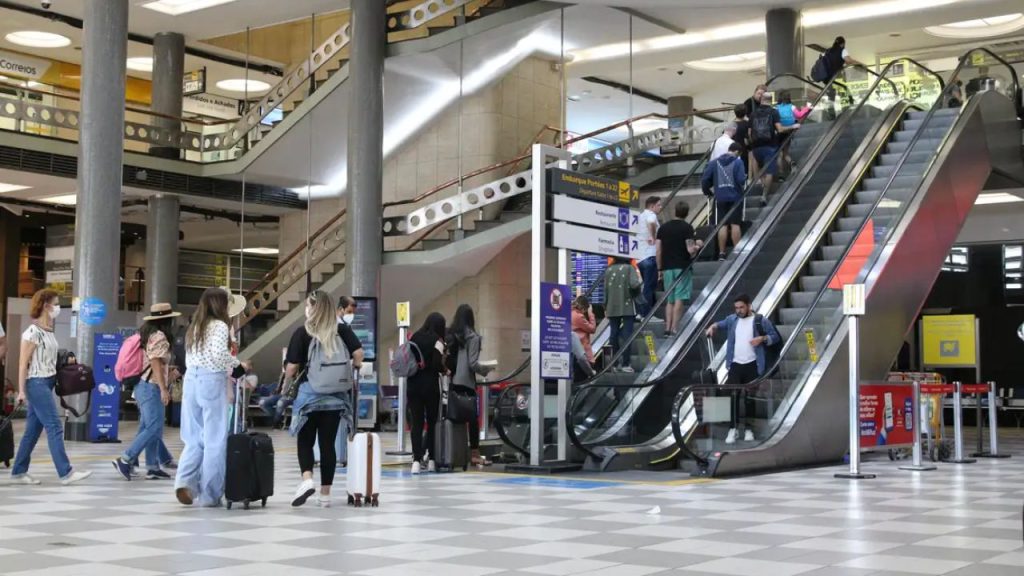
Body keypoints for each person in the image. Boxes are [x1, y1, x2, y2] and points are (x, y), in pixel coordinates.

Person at [287, 290, 363, 508]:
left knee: (305, 441)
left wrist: (287, 378)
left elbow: (292, 368)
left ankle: (307, 479)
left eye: (308, 306)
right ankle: (326, 495)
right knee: (328, 444)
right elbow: (358, 354)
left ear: (313, 307)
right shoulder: (342, 330)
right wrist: (354, 366)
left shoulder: (303, 332)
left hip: (309, 398)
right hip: (336, 398)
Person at [8, 289, 92, 485]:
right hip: (36, 383)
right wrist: (21, 391)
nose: (57, 308)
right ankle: (66, 472)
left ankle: (19, 471)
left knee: (32, 431)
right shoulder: (32, 332)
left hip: (46, 382)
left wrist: (67, 360)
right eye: (55, 304)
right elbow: (22, 363)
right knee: (54, 426)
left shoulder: (48, 330)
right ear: (46, 306)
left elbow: (50, 358)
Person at [174, 287, 247, 507]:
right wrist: (237, 365)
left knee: (193, 437)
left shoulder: (195, 327)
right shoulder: (220, 326)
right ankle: (209, 494)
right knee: (215, 439)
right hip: (210, 380)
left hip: (191, 381)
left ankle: (184, 482)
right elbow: (218, 355)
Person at [113, 303, 180, 481]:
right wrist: (163, 388)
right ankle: (126, 458)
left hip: (143, 385)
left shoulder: (147, 334)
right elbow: (155, 363)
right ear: (167, 320)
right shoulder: (159, 336)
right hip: (151, 386)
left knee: (148, 426)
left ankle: (152, 467)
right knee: (154, 427)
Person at [705, 294, 781, 444]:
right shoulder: (732, 320)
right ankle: (732, 429)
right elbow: (720, 324)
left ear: (749, 306)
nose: (738, 310)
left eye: (741, 307)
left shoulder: (760, 321)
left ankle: (748, 429)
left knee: (749, 398)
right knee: (733, 396)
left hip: (753, 364)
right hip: (735, 364)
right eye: (736, 308)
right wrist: (712, 326)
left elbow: (775, 337)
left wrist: (762, 338)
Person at [447, 304, 494, 467]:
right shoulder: (472, 337)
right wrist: (486, 369)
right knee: (472, 418)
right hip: (466, 382)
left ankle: (449, 451)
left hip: (451, 382)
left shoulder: (451, 334)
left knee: (452, 416)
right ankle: (474, 453)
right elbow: (472, 363)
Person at [407, 312, 446, 474]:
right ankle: (431, 459)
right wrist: (446, 370)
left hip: (413, 384)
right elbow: (437, 364)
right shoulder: (438, 341)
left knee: (416, 423)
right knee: (431, 423)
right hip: (430, 386)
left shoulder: (414, 337)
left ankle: (416, 461)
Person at [657, 203, 702, 336]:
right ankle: (674, 328)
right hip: (682, 267)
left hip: (667, 268)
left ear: (675, 211)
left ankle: (667, 328)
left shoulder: (663, 228)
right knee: (679, 298)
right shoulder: (687, 228)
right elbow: (690, 250)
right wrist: (698, 245)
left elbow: (658, 250)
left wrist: (660, 268)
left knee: (669, 300)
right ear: (687, 213)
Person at [749, 92, 800, 200]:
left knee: (756, 164)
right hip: (770, 145)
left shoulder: (753, 114)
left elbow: (749, 132)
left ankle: (760, 182)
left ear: (761, 99)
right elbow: (780, 129)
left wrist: (753, 142)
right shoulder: (773, 112)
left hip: (756, 145)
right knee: (770, 171)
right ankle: (764, 195)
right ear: (771, 100)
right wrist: (793, 126)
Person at [701, 142, 747, 260]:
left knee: (722, 225)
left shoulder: (714, 162)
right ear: (737, 152)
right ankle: (737, 252)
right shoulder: (738, 162)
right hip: (735, 197)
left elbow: (705, 179)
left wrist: (708, 192)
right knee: (735, 224)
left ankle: (722, 253)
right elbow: (741, 180)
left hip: (720, 198)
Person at [604, 257, 641, 372]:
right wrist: (640, 280)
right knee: (627, 334)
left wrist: (605, 306)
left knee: (613, 334)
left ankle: (613, 363)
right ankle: (625, 364)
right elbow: (635, 284)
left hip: (611, 306)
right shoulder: (630, 268)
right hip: (627, 305)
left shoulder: (608, 270)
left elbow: (605, 289)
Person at [636, 196, 662, 317]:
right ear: (652, 206)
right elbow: (651, 223)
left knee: (646, 286)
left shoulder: (640, 216)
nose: (660, 207)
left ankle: (642, 312)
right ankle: (646, 314)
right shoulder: (651, 215)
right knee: (649, 287)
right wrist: (653, 236)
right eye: (659, 205)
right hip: (650, 256)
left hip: (640, 258)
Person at [571, 295, 597, 365]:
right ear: (584, 308)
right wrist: (590, 313)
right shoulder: (579, 316)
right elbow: (592, 329)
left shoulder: (570, 313)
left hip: (574, 352)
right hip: (583, 352)